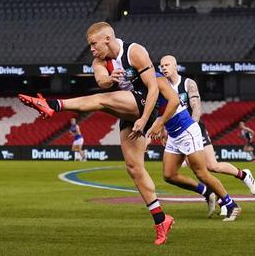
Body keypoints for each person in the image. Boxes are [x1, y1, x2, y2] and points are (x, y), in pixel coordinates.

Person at [18, 22, 173, 245]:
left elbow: (153, 88)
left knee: (101, 100)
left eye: (93, 44)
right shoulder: (99, 61)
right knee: (134, 168)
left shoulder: (135, 51)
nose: (91, 49)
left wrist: (144, 118)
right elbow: (101, 80)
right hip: (127, 108)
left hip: (146, 104)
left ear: (107, 39)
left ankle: (52, 105)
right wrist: (111, 79)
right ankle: (161, 220)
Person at [159, 55, 255, 197]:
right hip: (177, 133)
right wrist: (163, 129)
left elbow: (196, 107)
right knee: (195, 170)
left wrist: (191, 128)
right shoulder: (162, 86)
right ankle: (219, 199)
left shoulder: (187, 83)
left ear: (175, 66)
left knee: (212, 166)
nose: (164, 68)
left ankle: (243, 176)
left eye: (167, 65)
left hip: (193, 129)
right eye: (161, 66)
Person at [153, 72, 241, 221]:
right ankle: (206, 192)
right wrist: (162, 128)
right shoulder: (143, 83)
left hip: (186, 131)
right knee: (169, 175)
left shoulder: (156, 79)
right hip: (174, 134)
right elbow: (159, 109)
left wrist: (159, 125)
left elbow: (173, 102)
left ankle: (231, 204)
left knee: (202, 173)